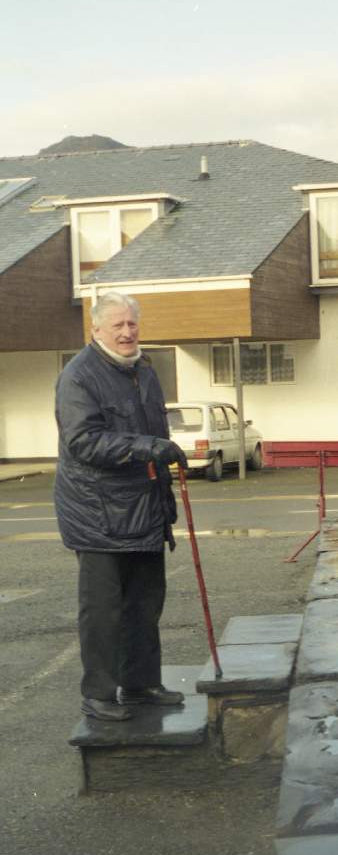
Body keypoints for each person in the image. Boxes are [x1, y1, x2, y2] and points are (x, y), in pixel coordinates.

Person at [54, 291, 189, 722]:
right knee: (103, 611)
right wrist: (149, 447)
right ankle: (97, 694)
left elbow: (154, 431)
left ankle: (141, 684)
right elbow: (83, 442)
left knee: (145, 603)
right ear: (96, 330)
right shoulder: (79, 376)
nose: (127, 332)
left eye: (132, 323)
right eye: (118, 325)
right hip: (99, 515)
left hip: (143, 509)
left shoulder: (143, 371)